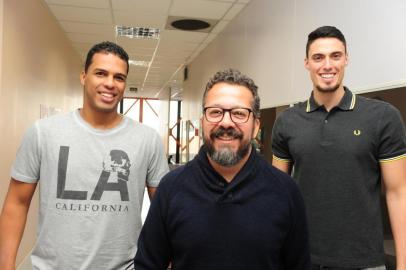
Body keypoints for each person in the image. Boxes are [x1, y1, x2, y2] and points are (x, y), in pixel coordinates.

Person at [0, 41, 169, 269]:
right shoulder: (43, 133)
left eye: (119, 77)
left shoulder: (147, 140)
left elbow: (165, 212)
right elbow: (16, 204)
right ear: (83, 76)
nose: (110, 83)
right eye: (101, 73)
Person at [134, 69, 311, 270]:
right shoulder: (172, 188)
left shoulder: (286, 191)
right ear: (202, 123)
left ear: (255, 127)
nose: (226, 122)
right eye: (216, 112)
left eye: (238, 113)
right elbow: (147, 265)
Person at [272, 26, 406, 269]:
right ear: (306, 63)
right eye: (318, 57)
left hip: (364, 261)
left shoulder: (382, 117)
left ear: (346, 59)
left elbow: (399, 194)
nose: (327, 65)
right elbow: (276, 194)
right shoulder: (287, 121)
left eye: (335, 56)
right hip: (302, 258)